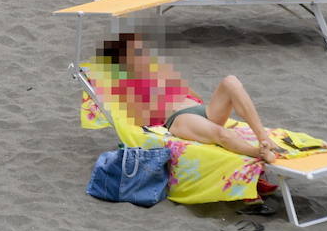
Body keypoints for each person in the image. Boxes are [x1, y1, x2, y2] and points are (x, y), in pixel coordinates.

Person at [98, 34, 281, 163]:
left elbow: (195, 96)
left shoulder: (158, 72)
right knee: (223, 134)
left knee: (230, 81)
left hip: (203, 110)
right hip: (180, 119)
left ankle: (263, 138)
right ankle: (259, 152)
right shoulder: (127, 86)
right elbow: (140, 119)